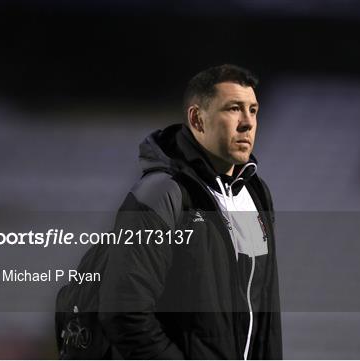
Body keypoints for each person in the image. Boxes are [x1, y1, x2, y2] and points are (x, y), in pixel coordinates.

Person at [98, 64, 282, 359]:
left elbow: (263, 316)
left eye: (254, 110)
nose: (248, 123)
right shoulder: (161, 193)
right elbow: (123, 313)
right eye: (234, 109)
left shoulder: (256, 194)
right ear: (197, 119)